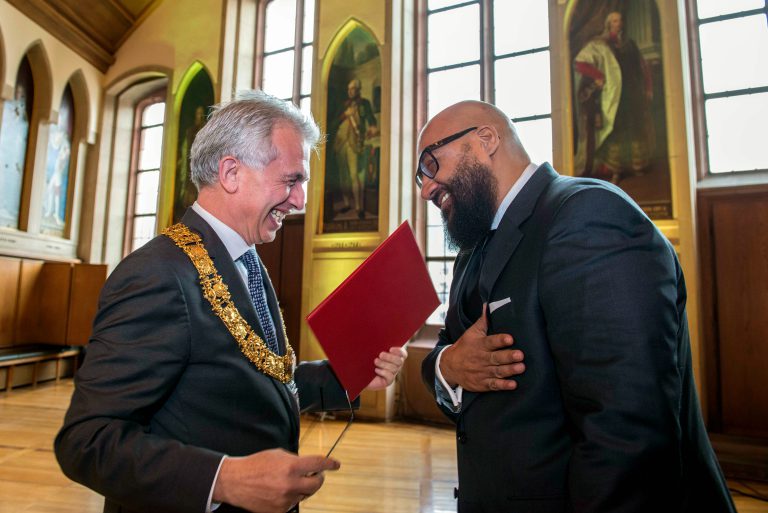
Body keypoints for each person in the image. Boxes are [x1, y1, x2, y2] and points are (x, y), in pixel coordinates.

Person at [55, 90, 407, 513]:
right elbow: (86, 440)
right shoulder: (158, 275)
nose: (301, 202)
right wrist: (223, 479)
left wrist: (349, 377)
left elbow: (252, 383)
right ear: (231, 173)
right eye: (292, 180)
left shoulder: (245, 258)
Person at [417, 100, 736, 512]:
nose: (425, 189)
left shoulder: (588, 216)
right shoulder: (473, 247)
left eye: (430, 165)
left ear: (485, 140)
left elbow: (625, 433)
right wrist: (450, 367)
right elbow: (447, 348)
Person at [573, 11, 654, 184]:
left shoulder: (629, 44)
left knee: (634, 128)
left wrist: (647, 87)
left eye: (620, 20)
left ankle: (636, 166)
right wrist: (598, 76)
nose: (619, 23)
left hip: (631, 93)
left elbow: (642, 67)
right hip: (613, 94)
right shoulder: (600, 44)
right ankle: (616, 169)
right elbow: (580, 63)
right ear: (609, 24)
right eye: (615, 21)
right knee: (616, 129)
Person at [332, 78, 379, 219]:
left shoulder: (364, 103)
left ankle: (359, 207)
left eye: (352, 89)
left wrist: (372, 127)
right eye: (348, 89)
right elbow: (334, 122)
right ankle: (347, 203)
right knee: (343, 175)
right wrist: (344, 115)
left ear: (358, 90)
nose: (350, 91)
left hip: (354, 141)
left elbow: (371, 120)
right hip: (341, 141)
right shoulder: (344, 105)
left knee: (354, 175)